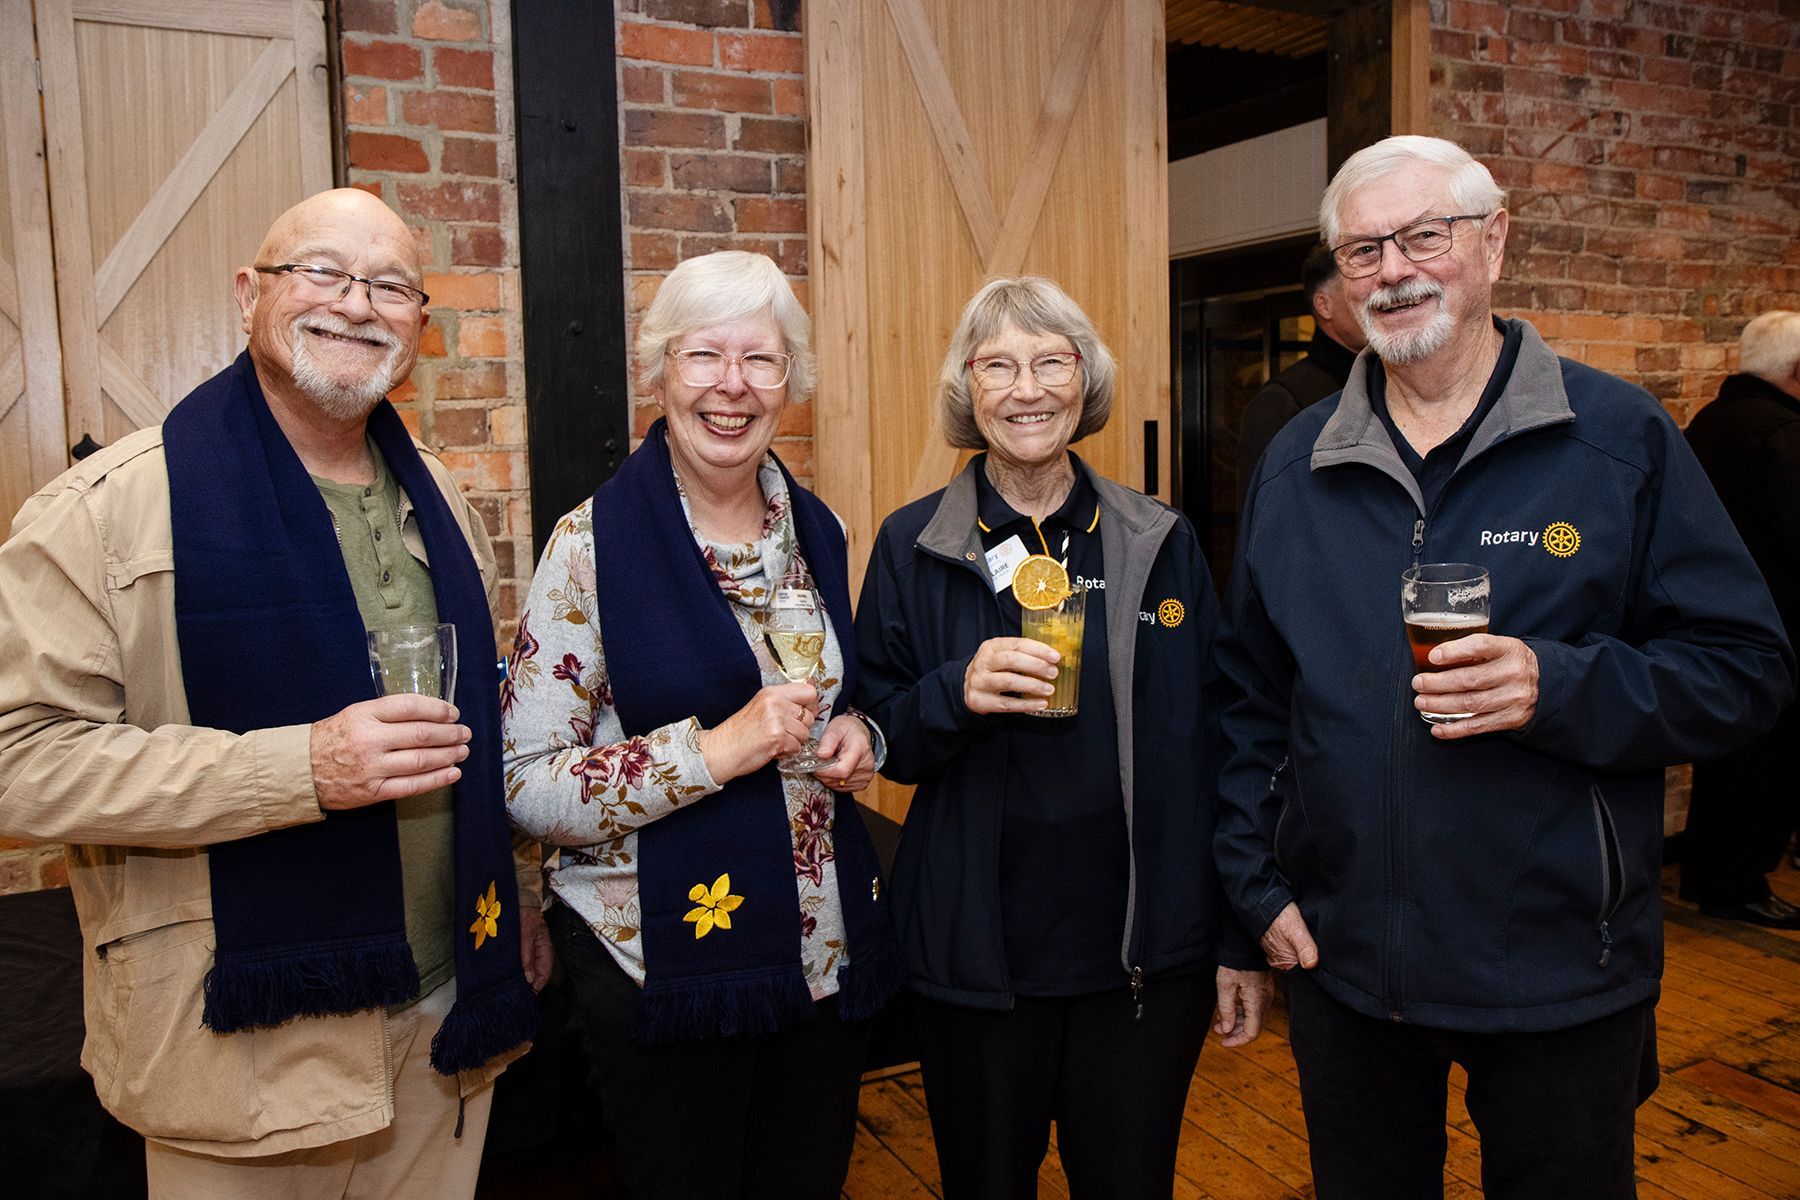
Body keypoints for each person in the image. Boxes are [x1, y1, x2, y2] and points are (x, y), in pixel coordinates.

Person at [1214, 135, 1793, 1200]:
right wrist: (1251, 896)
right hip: (1347, 971)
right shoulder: (1297, 467)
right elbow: (1250, 702)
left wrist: (1556, 684)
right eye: (1362, 251)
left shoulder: (1617, 441)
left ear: (1494, 240)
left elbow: (1744, 668)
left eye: (1422, 236)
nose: (1394, 270)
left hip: (1561, 967)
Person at [0, 188, 546, 1199]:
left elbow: (483, 728)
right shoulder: (103, 515)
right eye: (322, 273)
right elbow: (20, 765)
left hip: (443, 1017)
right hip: (236, 1045)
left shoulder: (445, 502)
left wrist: (516, 893)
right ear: (250, 295)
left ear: (419, 326)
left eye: (390, 285)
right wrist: (302, 768)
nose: (357, 302)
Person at [853, 276, 1270, 1200]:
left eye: (1051, 361)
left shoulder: (1159, 540)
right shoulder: (911, 542)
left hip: (1142, 964)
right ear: (970, 389)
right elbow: (877, 737)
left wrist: (1239, 933)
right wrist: (952, 693)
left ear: (1086, 381)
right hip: (978, 961)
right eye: (998, 365)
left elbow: (1227, 744)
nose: (1026, 388)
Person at [502, 250, 901, 1200]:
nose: (733, 387)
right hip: (659, 968)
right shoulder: (588, 546)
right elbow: (528, 783)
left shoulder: (820, 530)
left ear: (790, 382)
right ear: (661, 371)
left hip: (821, 957)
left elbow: (839, 704)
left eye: (761, 361)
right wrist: (719, 751)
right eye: (703, 357)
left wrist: (862, 740)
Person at [1678, 310, 1800, 928]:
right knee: (1768, 766)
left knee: (1726, 762)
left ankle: (1711, 873)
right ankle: (1739, 883)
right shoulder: (1784, 433)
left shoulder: (1710, 422)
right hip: (1778, 626)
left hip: (1709, 620)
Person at [1235, 244, 1368, 509]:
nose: (1372, 299)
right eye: (1354, 289)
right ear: (1324, 305)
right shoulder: (1282, 402)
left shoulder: (1388, 385)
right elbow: (1263, 520)